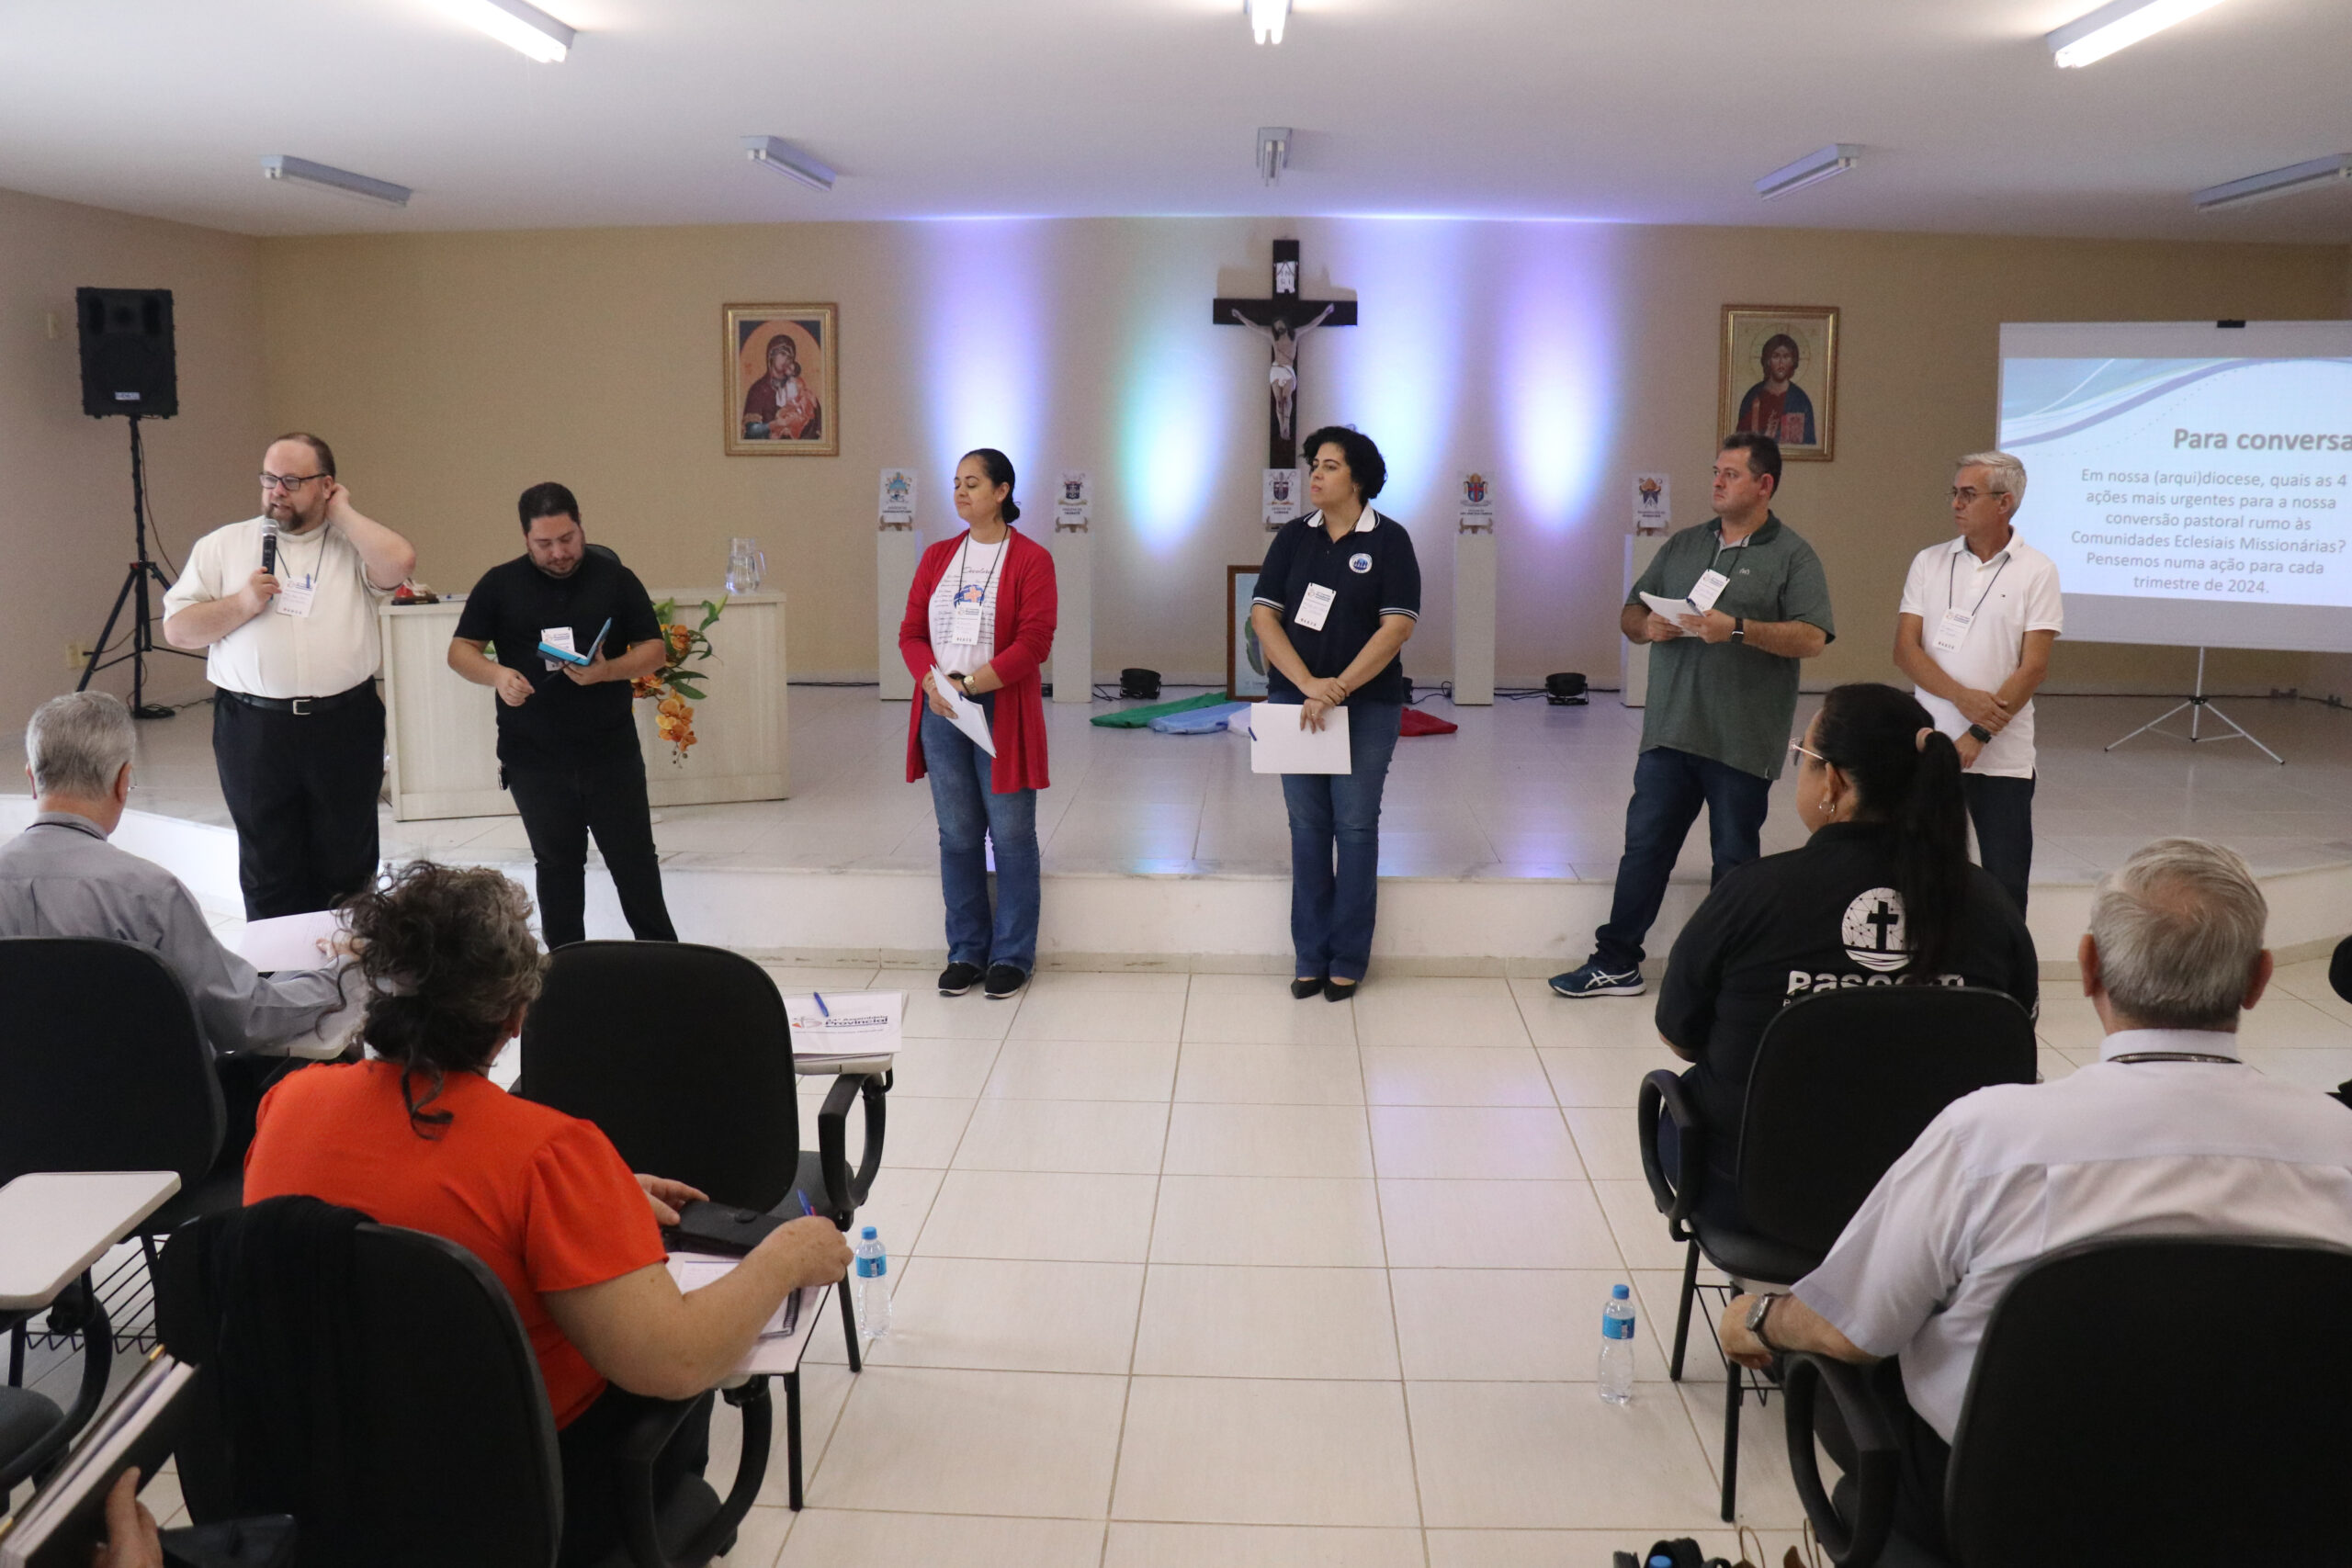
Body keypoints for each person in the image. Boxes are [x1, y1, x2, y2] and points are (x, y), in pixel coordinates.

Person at [1717, 837, 2352, 1555]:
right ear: (2260, 978)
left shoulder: (1991, 1136)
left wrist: (1760, 1317)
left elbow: (1850, 1328)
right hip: (2277, 1511)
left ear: (2088, 965)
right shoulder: (2341, 1143)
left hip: (2012, 1513)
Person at [243, 862, 851, 1566]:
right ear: (515, 1016)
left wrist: (599, 1196)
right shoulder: (546, 1155)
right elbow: (676, 1358)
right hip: (514, 1507)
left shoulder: (289, 1105)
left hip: (320, 1483)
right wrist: (783, 1257)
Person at [1651, 683, 2038, 1226]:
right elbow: (2012, 1044)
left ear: (1833, 781)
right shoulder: (1990, 905)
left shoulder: (1751, 895)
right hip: (1939, 1211)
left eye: (1802, 756)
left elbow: (1680, 1036)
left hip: (1756, 1197)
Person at [1, 692, 355, 1166]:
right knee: (329, 1067)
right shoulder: (147, 893)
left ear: (31, 778)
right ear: (123, 782)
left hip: (14, 1142)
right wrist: (339, 976)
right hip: (154, 1140)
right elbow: (246, 1020)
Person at [1552, 434, 1834, 998]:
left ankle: (1727, 975)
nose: (1717, 482)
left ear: (1764, 485)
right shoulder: (1684, 544)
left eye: (1731, 474)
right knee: (1644, 849)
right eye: (1716, 471)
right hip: (1670, 732)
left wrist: (1737, 629)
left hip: (1741, 739)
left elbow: (1811, 637)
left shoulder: (1792, 554)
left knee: (1733, 861)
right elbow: (1631, 612)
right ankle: (1617, 962)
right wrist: (1646, 625)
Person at [162, 434, 416, 921]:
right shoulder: (223, 545)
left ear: (326, 485)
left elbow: (400, 562)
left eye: (293, 481)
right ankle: (276, 966)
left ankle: (346, 963)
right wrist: (241, 604)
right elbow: (178, 630)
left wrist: (342, 513)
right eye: (269, 478)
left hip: (344, 723)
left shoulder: (352, 544)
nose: (276, 490)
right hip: (255, 729)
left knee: (348, 861)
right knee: (268, 867)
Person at [449, 483, 675, 950]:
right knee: (557, 868)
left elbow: (654, 650)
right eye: (545, 543)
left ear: (581, 526)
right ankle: (566, 970)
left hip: (609, 751)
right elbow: (460, 651)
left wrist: (607, 671)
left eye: (567, 539)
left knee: (634, 863)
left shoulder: (615, 579)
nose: (559, 553)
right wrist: (497, 675)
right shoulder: (500, 584)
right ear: (525, 538)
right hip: (534, 756)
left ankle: (664, 962)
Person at [1250, 426, 1420, 1001]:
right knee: (1307, 827)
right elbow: (1264, 616)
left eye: (1329, 466)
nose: (1316, 475)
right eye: (1314, 465)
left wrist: (1337, 689)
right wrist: (1307, 685)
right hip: (1294, 702)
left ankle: (1347, 957)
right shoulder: (1294, 537)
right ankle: (1309, 955)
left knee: (1355, 825)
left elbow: (1396, 628)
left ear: (1359, 478)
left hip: (1367, 705)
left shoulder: (1390, 540)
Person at [897, 448, 1057, 1000]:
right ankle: (965, 951)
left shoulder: (1031, 559)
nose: (961, 493)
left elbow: (1034, 642)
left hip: (999, 708)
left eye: (973, 483)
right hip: (942, 708)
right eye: (957, 483)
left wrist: (970, 685)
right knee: (958, 835)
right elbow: (911, 633)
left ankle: (1011, 955)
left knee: (1011, 835)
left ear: (1002, 491)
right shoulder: (938, 556)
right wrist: (933, 683)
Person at [1893, 451, 2061, 916]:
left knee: (2006, 885)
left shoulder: (2037, 570)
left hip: (2001, 758)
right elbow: (1905, 650)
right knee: (1923, 875)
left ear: (2004, 503)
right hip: (1930, 747)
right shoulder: (1929, 562)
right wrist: (1961, 698)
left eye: (1969, 494)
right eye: (1955, 493)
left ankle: (2003, 965)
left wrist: (1978, 733)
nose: (1956, 503)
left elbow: (2033, 668)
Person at [1735, 333, 1816, 447]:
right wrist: (1765, 436)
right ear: (1768, 361)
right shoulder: (1753, 396)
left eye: (1786, 356)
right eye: (1776, 356)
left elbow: (1808, 444)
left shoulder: (1800, 399)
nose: (1781, 362)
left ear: (1793, 362)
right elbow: (1740, 442)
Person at [741, 333, 821, 442]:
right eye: (783, 354)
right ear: (771, 355)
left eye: (790, 357)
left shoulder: (796, 386)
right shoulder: (758, 390)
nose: (787, 360)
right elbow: (750, 430)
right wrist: (773, 425)